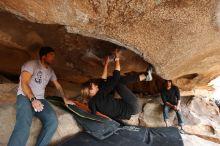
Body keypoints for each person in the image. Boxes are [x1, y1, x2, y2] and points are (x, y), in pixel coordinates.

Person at [8, 46, 74, 146]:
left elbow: (58, 86)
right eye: (51, 55)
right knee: (23, 126)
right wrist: (33, 99)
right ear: (44, 56)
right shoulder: (31, 64)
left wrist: (64, 98)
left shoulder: (50, 71)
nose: (53, 58)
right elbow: (24, 83)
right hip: (25, 96)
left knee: (52, 121)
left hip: (40, 99)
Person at [80, 49, 153, 120]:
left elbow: (103, 80)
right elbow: (116, 77)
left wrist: (106, 64)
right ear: (91, 92)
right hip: (132, 106)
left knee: (110, 80)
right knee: (117, 81)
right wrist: (117, 59)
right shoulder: (100, 95)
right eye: (94, 86)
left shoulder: (92, 102)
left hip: (130, 112)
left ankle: (146, 77)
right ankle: (146, 76)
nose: (96, 85)